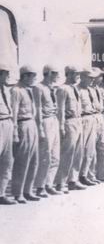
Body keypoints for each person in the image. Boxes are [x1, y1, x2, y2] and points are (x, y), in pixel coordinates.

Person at [10, 65, 40, 203]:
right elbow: (14, 112)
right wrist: (15, 131)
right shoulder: (16, 90)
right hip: (22, 125)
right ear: (25, 76)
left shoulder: (29, 90)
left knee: (34, 160)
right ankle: (18, 192)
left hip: (31, 124)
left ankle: (28, 190)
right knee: (22, 160)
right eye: (32, 76)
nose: (34, 79)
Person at [55, 66, 84, 193]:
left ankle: (73, 180)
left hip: (78, 121)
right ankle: (61, 183)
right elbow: (60, 110)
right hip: (69, 121)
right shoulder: (62, 89)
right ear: (68, 74)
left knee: (78, 152)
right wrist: (61, 126)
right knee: (67, 153)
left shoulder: (75, 88)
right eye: (75, 73)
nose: (78, 76)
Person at [33, 65, 61, 197]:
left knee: (55, 155)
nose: (57, 76)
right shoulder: (39, 88)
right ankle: (40, 186)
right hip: (45, 121)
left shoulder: (52, 88)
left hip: (54, 120)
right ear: (48, 73)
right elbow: (37, 109)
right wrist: (40, 128)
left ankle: (49, 183)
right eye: (55, 73)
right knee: (46, 155)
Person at [77, 68, 99, 187]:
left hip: (92, 118)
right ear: (83, 77)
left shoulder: (91, 90)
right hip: (83, 119)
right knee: (81, 149)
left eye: (93, 78)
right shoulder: (78, 90)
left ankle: (86, 174)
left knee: (91, 149)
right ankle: (77, 176)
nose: (92, 80)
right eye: (90, 78)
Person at [0, 64, 16, 204]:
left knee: (7, 160)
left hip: (7, 123)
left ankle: (2, 193)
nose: (7, 77)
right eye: (5, 74)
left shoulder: (7, 89)